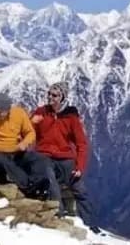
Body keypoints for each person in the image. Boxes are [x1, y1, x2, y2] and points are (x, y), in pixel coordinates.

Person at [31, 83, 99, 231]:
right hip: (44, 155)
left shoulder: (71, 117)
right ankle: (59, 215)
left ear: (62, 97)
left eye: (54, 95)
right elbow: (27, 133)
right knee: (49, 177)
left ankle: (91, 226)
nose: (50, 97)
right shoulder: (41, 112)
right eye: (49, 94)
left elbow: (81, 144)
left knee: (79, 189)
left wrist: (80, 167)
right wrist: (32, 123)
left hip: (65, 157)